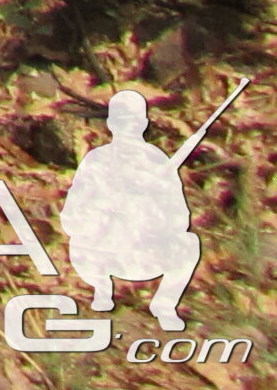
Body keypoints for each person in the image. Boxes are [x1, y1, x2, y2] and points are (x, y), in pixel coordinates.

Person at [65, 86, 208, 329]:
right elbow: (72, 214)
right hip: (104, 251)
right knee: (78, 243)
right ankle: (101, 290)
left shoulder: (157, 161)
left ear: (143, 122)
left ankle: (164, 304)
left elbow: (179, 217)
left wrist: (151, 208)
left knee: (189, 244)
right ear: (111, 123)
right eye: (122, 120)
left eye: (133, 120)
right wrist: (105, 211)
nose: (128, 126)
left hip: (144, 251)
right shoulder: (96, 160)